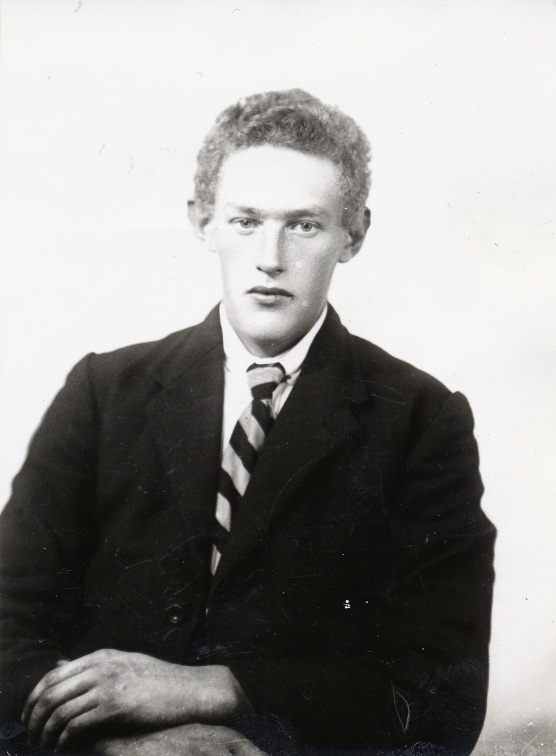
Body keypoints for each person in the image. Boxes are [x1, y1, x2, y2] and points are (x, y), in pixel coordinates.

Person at [0, 89, 495, 755]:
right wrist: (113, 750)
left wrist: (220, 689)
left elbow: (439, 693)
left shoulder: (421, 420)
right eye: (245, 221)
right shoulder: (104, 392)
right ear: (202, 222)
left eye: (304, 225)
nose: (270, 257)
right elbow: (8, 629)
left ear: (354, 234)